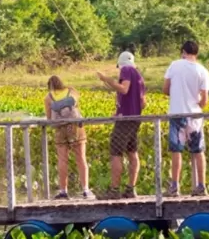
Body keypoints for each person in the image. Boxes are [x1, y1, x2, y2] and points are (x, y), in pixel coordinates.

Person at [96, 51, 146, 199]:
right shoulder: (139, 75)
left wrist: (107, 80)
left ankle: (114, 190)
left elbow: (124, 89)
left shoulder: (126, 70)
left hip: (125, 120)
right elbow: (143, 103)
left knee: (116, 152)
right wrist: (120, 110)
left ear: (121, 64)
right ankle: (131, 189)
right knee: (132, 152)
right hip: (135, 119)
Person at [163, 40, 209, 197]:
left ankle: (175, 186)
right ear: (197, 53)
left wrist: (177, 93)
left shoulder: (174, 65)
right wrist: (196, 102)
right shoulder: (203, 71)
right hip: (195, 115)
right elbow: (204, 100)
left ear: (183, 51)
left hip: (177, 114)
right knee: (198, 151)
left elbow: (165, 89)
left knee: (176, 150)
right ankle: (201, 185)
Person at [44, 75, 93, 199]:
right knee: (81, 158)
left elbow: (49, 118)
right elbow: (76, 104)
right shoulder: (72, 91)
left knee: (62, 160)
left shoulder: (48, 97)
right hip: (76, 127)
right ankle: (86, 190)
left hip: (60, 130)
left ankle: (63, 191)